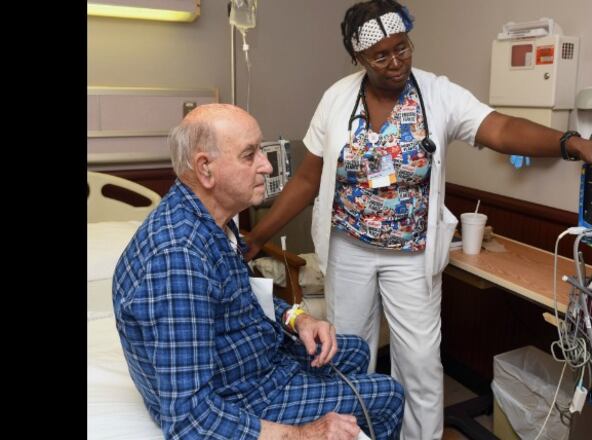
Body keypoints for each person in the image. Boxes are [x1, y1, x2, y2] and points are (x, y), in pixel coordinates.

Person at [242, 1, 592, 438]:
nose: (396, 62)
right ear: (358, 59)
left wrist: (572, 144)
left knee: (420, 362)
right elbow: (307, 180)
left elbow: (498, 128)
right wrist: (257, 236)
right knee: (349, 354)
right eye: (380, 56)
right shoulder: (337, 98)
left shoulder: (436, 93)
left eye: (402, 48)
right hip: (350, 249)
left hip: (412, 255)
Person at [112, 103, 404, 440]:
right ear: (206, 169)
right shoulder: (179, 260)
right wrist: (304, 434)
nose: (267, 166)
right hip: (241, 396)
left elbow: (239, 295)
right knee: (389, 396)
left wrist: (297, 319)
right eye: (250, 155)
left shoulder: (212, 222)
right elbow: (189, 419)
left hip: (251, 358)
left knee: (354, 350)